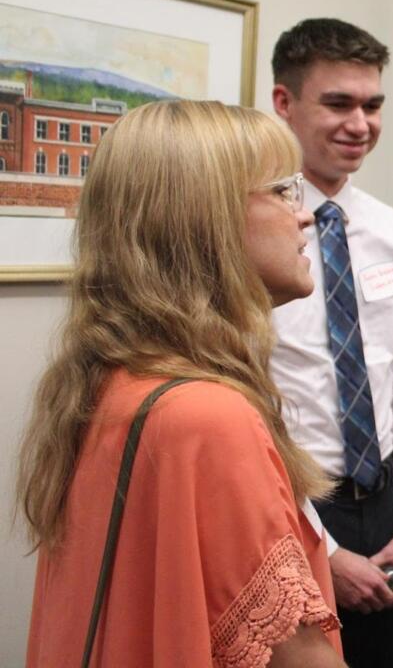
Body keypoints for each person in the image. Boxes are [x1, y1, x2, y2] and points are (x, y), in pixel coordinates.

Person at [17, 100, 344, 666]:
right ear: (206, 220)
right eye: (283, 191)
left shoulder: (107, 383)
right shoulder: (209, 417)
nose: (305, 215)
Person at [268, 18, 393, 666]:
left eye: (372, 106)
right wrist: (323, 549)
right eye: (338, 103)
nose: (360, 124)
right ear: (284, 102)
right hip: (290, 506)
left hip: (385, 502)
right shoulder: (251, 227)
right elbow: (248, 406)